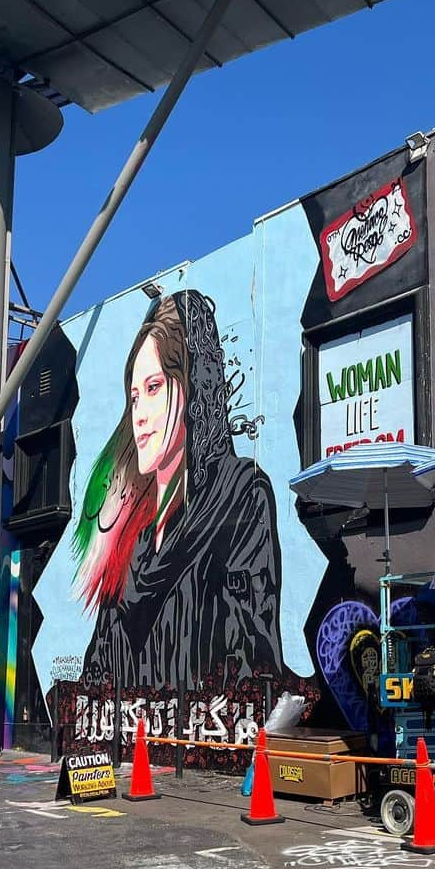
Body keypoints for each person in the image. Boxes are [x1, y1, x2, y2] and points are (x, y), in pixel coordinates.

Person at [75, 289, 283, 691]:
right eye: (134, 397)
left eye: (153, 388)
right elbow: (98, 663)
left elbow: (255, 657)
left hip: (207, 747)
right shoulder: (130, 528)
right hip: (128, 750)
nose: (139, 415)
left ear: (192, 387)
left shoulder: (241, 495)